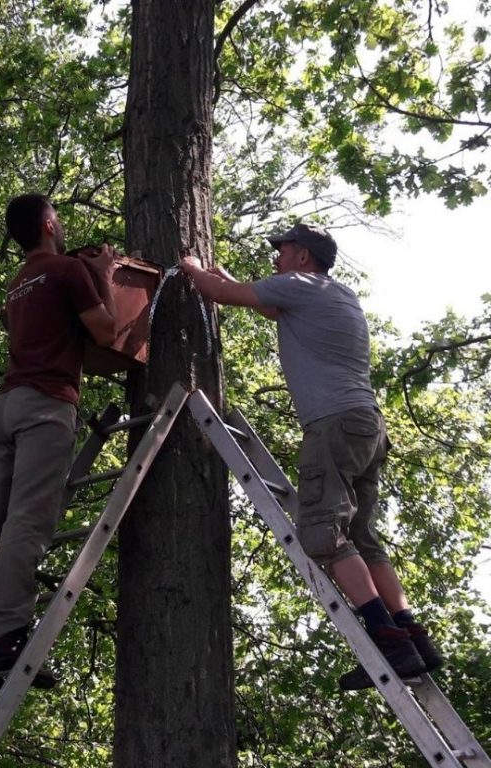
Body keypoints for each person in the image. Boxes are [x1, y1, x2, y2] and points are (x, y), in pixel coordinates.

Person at [180, 223, 443, 690]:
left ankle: (389, 641)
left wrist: (193, 268)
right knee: (361, 537)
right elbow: (264, 305)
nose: (276, 258)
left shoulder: (299, 284)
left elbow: (218, 294)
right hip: (365, 426)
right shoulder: (335, 294)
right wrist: (223, 277)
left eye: (282, 250)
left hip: (333, 426)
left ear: (303, 256)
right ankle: (413, 636)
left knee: (324, 534)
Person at [0, 194, 117, 683]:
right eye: (57, 219)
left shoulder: (17, 284)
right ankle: (3, 638)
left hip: (5, 407)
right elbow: (105, 333)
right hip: (44, 406)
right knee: (26, 522)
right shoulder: (67, 271)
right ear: (48, 225)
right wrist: (104, 274)